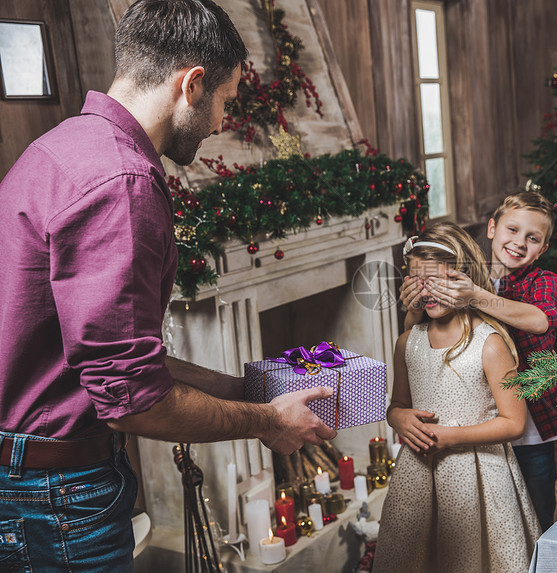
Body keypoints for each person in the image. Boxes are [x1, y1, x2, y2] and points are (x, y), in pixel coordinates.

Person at [0, 1, 334, 570]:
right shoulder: (122, 182)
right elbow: (131, 399)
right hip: (58, 494)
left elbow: (115, 359)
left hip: (32, 477)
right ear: (192, 84)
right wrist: (270, 423)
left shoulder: (61, 147)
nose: (222, 121)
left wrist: (246, 390)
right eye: (226, 100)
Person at [400, 190, 557, 531]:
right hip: (476, 421)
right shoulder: (465, 269)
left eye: (532, 238)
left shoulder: (542, 281)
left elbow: (541, 320)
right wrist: (413, 306)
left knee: (537, 517)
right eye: (512, 230)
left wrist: (477, 296)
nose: (519, 242)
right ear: (493, 228)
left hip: (529, 431)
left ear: (543, 249)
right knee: (490, 522)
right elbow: (416, 338)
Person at [374, 223, 541, 573]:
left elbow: (515, 421)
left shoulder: (489, 344)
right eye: (418, 280)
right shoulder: (409, 342)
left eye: (439, 279)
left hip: (480, 478)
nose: (428, 289)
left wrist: (450, 437)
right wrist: (398, 418)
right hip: (418, 476)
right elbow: (397, 405)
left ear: (465, 281)